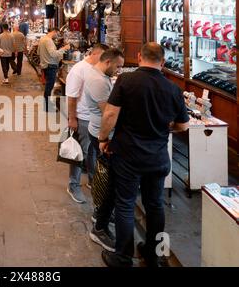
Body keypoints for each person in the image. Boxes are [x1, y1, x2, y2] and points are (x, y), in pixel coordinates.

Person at [97, 43, 189, 267]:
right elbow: (183, 126)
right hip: (157, 158)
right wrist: (163, 129)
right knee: (155, 205)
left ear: (139, 57)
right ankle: (152, 255)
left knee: (126, 204)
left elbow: (110, 114)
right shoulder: (173, 89)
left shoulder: (126, 81)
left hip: (128, 155)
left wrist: (103, 139)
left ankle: (123, 256)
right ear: (163, 62)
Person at [82, 49, 124, 253]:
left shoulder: (98, 75)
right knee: (107, 178)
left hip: (99, 130)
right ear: (107, 62)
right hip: (101, 133)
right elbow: (107, 112)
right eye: (117, 66)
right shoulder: (98, 81)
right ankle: (100, 219)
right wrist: (104, 138)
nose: (118, 70)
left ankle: (102, 213)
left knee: (105, 176)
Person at [65, 44, 109, 204]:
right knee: (78, 153)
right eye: (104, 57)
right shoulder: (79, 70)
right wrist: (72, 118)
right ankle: (73, 185)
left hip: (94, 119)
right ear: (96, 54)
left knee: (92, 151)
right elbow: (71, 96)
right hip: (82, 117)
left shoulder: (97, 69)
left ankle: (92, 180)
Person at [38, 27, 70, 111]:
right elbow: (53, 54)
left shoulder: (42, 39)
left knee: (49, 86)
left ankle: (47, 105)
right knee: (49, 86)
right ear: (54, 32)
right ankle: (48, 107)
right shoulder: (48, 40)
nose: (57, 36)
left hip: (46, 65)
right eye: (57, 34)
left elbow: (38, 52)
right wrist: (64, 49)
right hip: (50, 65)